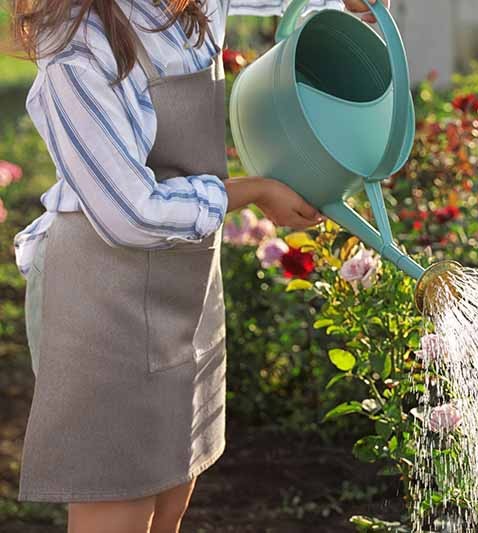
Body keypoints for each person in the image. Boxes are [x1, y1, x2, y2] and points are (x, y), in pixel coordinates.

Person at [9, 0, 389, 531]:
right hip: (105, 296)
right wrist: (253, 191)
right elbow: (131, 213)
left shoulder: (195, 5)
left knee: (171, 498)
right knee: (119, 499)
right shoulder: (76, 49)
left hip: (187, 281)